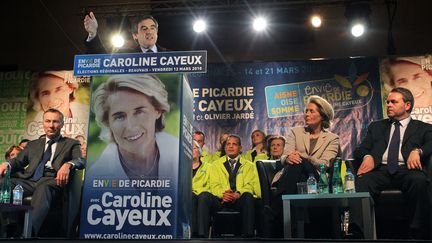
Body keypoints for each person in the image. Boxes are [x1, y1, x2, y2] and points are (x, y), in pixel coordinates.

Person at [354, 87, 432, 239]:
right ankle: (359, 233)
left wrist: (418, 151)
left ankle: (418, 232)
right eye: (387, 101)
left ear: (407, 105)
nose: (389, 104)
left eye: (394, 102)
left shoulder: (423, 127)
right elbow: (360, 149)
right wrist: (366, 156)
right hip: (379, 170)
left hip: (407, 170)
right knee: (362, 181)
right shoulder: (376, 127)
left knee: (419, 180)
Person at [0, 108, 84, 236]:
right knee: (3, 183)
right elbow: (18, 162)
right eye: (48, 121)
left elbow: (80, 160)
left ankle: (29, 232)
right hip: (29, 180)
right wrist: (6, 164)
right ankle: (12, 224)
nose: (51, 125)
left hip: (52, 180)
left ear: (62, 124)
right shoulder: (33, 144)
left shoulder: (71, 143)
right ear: (43, 123)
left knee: (44, 187)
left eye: (55, 121)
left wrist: (68, 164)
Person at [88, 74, 178, 180]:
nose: (130, 126)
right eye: (119, 116)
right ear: (108, 123)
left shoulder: (179, 154)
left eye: (139, 112)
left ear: (157, 110)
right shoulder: (96, 176)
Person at [196, 134, 261, 237]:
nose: (231, 146)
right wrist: (223, 194)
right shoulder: (216, 165)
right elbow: (213, 185)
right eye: (228, 144)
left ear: (240, 148)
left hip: (239, 201)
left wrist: (238, 193)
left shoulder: (249, 165)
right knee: (204, 195)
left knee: (248, 195)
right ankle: (201, 237)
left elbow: (251, 185)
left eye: (234, 144)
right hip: (220, 202)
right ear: (225, 147)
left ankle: (248, 236)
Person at [273, 95, 340, 194]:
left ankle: (277, 205)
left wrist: (305, 158)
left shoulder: (332, 138)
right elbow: (285, 156)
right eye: (306, 111)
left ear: (322, 115)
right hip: (295, 174)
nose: (307, 114)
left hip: (317, 177)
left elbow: (325, 164)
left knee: (298, 161)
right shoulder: (295, 132)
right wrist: (288, 158)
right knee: (298, 169)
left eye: (311, 111)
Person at [84, 12, 166, 54]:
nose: (149, 32)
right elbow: (101, 62)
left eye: (152, 28)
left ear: (157, 32)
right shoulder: (124, 56)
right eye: (144, 29)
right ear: (135, 36)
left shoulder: (171, 56)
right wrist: (93, 34)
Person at [191, 140, 211, 237]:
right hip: (188, 198)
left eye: (194, 148)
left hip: (205, 198)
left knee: (202, 196)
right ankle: (192, 234)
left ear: (199, 151)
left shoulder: (209, 167)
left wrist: (196, 191)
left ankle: (202, 235)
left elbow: (212, 187)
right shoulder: (181, 167)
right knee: (191, 196)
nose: (191, 150)